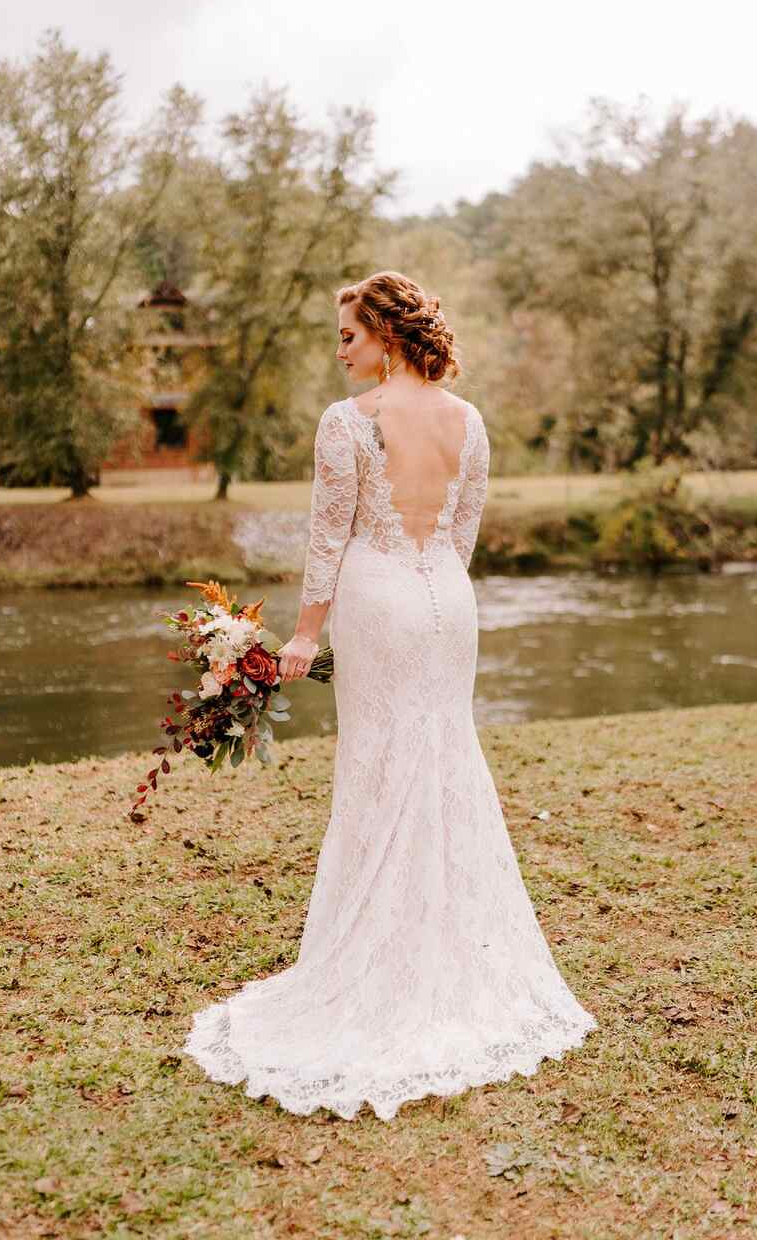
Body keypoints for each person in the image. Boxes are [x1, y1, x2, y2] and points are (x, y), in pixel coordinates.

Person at [182, 270, 598, 1120]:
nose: (339, 350)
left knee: (376, 766)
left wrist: (303, 635)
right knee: (443, 756)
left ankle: (377, 956)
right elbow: (464, 527)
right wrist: (429, 578)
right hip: (449, 601)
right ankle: (444, 946)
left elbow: (328, 538)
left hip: (377, 599)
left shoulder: (347, 423)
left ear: (386, 333)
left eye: (346, 335)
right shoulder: (468, 420)